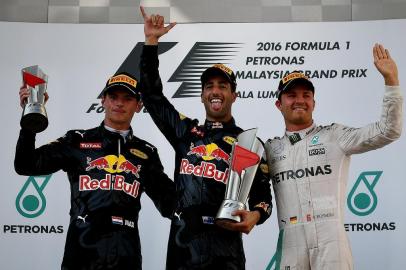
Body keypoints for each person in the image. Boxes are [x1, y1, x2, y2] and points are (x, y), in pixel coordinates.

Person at [138, 7, 272, 270]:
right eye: (209, 86)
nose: (215, 91)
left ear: (234, 95)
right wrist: (151, 43)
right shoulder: (186, 132)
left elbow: (262, 196)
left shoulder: (249, 143)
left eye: (223, 86)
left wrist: (254, 216)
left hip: (226, 251)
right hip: (183, 247)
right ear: (201, 95)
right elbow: (152, 96)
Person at [15, 72, 176, 270]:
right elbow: (25, 165)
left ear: (138, 105)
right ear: (103, 101)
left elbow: (171, 203)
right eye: (113, 97)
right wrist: (29, 122)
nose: (119, 103)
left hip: (126, 254)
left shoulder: (146, 152)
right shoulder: (77, 140)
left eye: (127, 98)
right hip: (82, 250)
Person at [264, 44, 402, 270]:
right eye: (291, 95)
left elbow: (389, 130)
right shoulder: (269, 149)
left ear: (314, 103)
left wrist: (392, 82)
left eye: (306, 95)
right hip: (290, 241)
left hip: (331, 240)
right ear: (279, 104)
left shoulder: (335, 136)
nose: (300, 100)